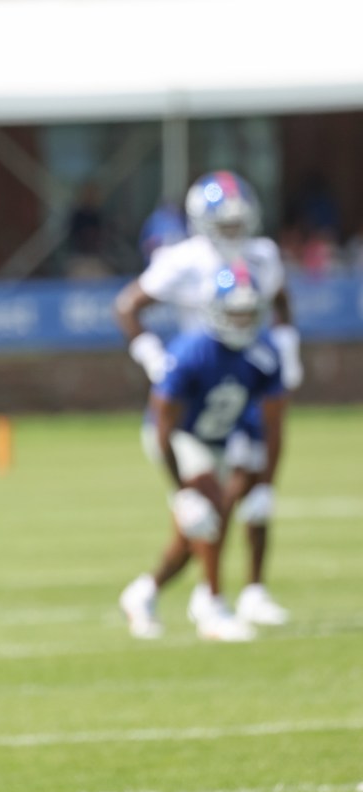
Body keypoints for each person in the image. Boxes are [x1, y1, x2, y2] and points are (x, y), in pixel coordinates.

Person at [115, 170, 302, 627]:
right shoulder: (184, 261)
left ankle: (245, 591)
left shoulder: (262, 255)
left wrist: (287, 345)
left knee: (247, 491)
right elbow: (128, 305)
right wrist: (153, 355)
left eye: (241, 221)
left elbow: (280, 302)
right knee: (206, 505)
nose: (235, 230)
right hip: (195, 385)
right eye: (226, 221)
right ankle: (208, 599)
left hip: (243, 381)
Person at [119, 266, 287, 641]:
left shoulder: (264, 353)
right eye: (234, 312)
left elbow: (272, 422)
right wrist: (182, 491)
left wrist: (264, 483)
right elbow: (163, 426)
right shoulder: (192, 352)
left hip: (225, 436)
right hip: (179, 437)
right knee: (206, 507)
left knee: (195, 533)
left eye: (248, 312)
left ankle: (143, 592)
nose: (241, 320)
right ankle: (212, 606)